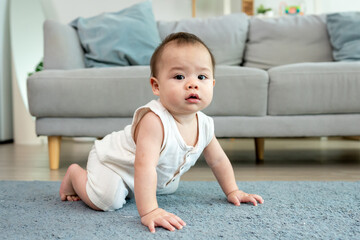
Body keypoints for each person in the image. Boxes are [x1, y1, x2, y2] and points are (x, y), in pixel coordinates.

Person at [59, 32, 264, 233]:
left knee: (167, 186)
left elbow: (218, 160)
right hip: (113, 164)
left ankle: (130, 190)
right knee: (106, 200)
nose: (192, 83)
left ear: (211, 84)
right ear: (156, 86)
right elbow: (144, 166)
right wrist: (150, 211)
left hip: (141, 174)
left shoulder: (205, 124)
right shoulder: (154, 120)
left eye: (201, 76)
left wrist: (233, 190)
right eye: (179, 76)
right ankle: (76, 175)